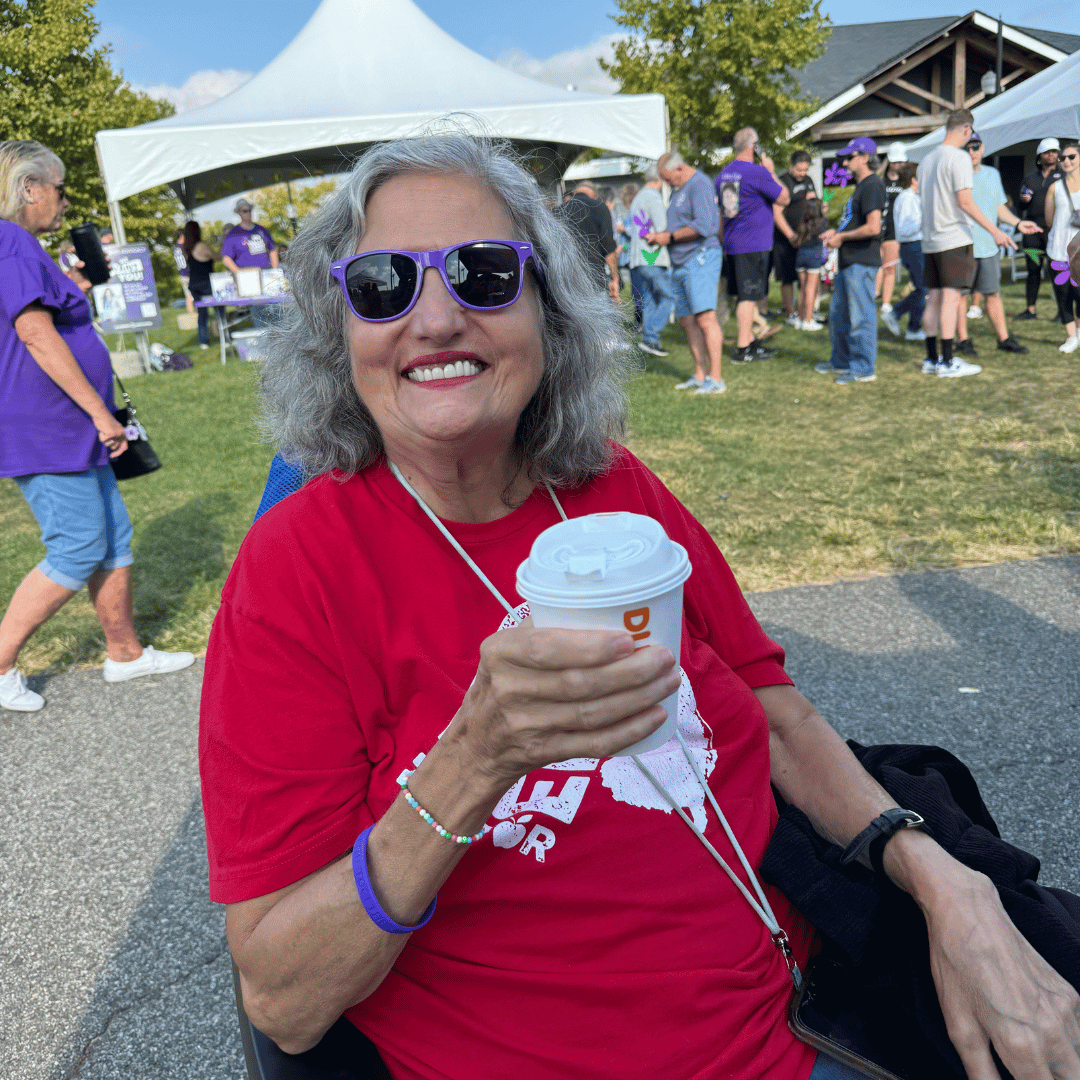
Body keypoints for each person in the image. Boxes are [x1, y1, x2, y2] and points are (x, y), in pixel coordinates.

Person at [199, 132, 1080, 1080]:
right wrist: (474, 760)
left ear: (548, 309)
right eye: (383, 285)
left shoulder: (611, 487)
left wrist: (949, 887)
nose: (437, 318)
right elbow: (284, 1002)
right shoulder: (297, 572)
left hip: (829, 1011)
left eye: (486, 274)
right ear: (341, 328)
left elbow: (773, 712)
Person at [0, 140, 194, 713]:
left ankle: (125, 653)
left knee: (112, 534)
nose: (64, 201)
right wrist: (98, 411)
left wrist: (79, 288)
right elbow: (35, 335)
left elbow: (43, 319)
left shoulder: (23, 246)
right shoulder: (10, 241)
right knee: (78, 544)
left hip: (63, 421)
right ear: (29, 188)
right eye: (58, 189)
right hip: (49, 424)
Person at [915, 108, 1016, 379]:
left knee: (934, 299)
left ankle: (931, 358)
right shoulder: (958, 159)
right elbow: (965, 202)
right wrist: (995, 230)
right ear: (967, 129)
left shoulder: (926, 161)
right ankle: (947, 362)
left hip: (931, 240)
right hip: (953, 239)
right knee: (950, 298)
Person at [952, 133, 1040, 357]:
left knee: (993, 293)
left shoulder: (992, 174)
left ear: (982, 149)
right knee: (961, 296)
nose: (971, 152)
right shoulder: (955, 176)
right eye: (967, 148)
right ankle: (963, 340)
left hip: (988, 246)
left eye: (975, 147)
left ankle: (1003, 338)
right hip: (962, 244)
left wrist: (1019, 223)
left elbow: (999, 208)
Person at [646, 151, 724, 393]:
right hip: (681, 262)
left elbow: (705, 226)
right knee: (687, 320)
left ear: (679, 168)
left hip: (700, 258)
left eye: (668, 178)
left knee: (705, 318)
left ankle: (716, 379)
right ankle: (700, 374)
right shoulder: (680, 189)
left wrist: (667, 237)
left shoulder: (699, 184)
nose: (666, 183)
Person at [715, 128, 789, 364]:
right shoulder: (757, 172)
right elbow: (784, 197)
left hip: (734, 243)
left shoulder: (725, 174)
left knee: (746, 295)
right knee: (748, 297)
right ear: (754, 147)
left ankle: (749, 342)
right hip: (753, 244)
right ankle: (743, 348)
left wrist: (723, 241)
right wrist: (772, 172)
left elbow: (725, 212)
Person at [816, 137, 885, 384]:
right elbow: (856, 223)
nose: (844, 162)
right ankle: (841, 360)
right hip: (849, 261)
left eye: (850, 157)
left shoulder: (872, 185)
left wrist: (841, 237)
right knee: (839, 315)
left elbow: (873, 227)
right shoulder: (861, 187)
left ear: (866, 157)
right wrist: (835, 234)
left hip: (862, 262)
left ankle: (864, 368)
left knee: (861, 317)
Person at [628, 163, 673, 358]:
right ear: (660, 179)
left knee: (649, 300)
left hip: (639, 257)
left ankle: (651, 341)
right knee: (668, 297)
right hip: (652, 256)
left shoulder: (637, 198)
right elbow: (662, 225)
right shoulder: (654, 197)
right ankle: (650, 337)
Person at [1016, 138, 1062, 321]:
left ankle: (1062, 312)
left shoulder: (1064, 177)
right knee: (1033, 270)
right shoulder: (1030, 178)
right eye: (1047, 152)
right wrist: (1022, 200)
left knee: (1056, 271)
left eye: (1054, 151)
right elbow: (1021, 207)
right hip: (1033, 231)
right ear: (1040, 156)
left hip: (1055, 231)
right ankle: (1031, 310)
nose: (1051, 155)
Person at [771, 150, 817, 326]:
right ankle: (791, 313)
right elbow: (777, 212)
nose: (802, 174)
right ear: (791, 166)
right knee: (787, 276)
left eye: (805, 170)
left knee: (806, 276)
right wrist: (790, 235)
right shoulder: (783, 182)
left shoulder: (809, 181)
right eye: (799, 170)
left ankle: (804, 311)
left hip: (805, 238)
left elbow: (813, 204)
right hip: (785, 238)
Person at [882, 162, 926, 342]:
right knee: (922, 289)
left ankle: (914, 328)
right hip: (912, 245)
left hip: (916, 245)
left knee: (921, 288)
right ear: (914, 179)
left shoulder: (913, 197)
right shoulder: (906, 198)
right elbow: (906, 227)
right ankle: (896, 313)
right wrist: (927, 220)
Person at [1043, 139, 1080, 353]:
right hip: (1058, 251)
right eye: (1062, 158)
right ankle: (1071, 336)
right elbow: (1050, 220)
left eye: (1071, 157)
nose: (1066, 161)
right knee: (1063, 295)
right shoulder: (1054, 188)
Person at [557, 181, 619, 303]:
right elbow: (609, 247)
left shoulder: (560, 210)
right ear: (595, 195)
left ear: (574, 193)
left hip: (568, 276)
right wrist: (614, 278)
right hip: (595, 276)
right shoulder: (600, 207)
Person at [222, 197, 279, 328]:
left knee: (275, 309)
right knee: (258, 313)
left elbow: (272, 250)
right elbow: (226, 258)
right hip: (249, 277)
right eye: (244, 211)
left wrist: (274, 270)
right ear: (238, 213)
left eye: (249, 210)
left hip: (266, 273)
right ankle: (264, 341)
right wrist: (239, 273)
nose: (248, 213)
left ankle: (281, 340)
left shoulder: (261, 230)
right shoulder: (234, 234)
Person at [179, 221, 224, 350]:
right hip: (206, 283)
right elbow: (217, 256)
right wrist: (222, 243)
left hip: (194, 284)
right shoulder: (201, 246)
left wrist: (210, 242)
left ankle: (203, 340)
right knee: (219, 309)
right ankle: (224, 335)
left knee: (202, 313)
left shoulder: (187, 247)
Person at [876, 143, 906, 318]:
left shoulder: (905, 182)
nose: (898, 165)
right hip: (878, 227)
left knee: (889, 267)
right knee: (876, 265)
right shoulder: (880, 180)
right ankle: (875, 294)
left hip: (895, 230)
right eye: (895, 162)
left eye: (901, 162)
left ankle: (886, 303)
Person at [791, 193, 827, 330]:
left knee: (802, 289)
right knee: (811, 289)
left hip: (801, 256)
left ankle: (800, 319)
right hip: (813, 258)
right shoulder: (822, 222)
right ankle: (808, 320)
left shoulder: (802, 223)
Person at [614, 182, 642, 327]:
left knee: (639, 293)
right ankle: (640, 322)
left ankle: (643, 323)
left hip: (638, 259)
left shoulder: (638, 211)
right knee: (635, 292)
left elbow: (638, 234)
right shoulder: (632, 212)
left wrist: (624, 229)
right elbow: (628, 244)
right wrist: (621, 247)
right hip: (631, 258)